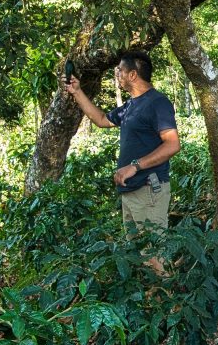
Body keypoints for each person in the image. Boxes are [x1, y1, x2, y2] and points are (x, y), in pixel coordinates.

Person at [64, 51, 181, 247]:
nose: (116, 74)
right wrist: (76, 91)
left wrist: (135, 166)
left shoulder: (157, 103)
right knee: (137, 254)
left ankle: (167, 279)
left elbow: (172, 144)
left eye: (119, 70)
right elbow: (101, 120)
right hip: (131, 190)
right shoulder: (130, 106)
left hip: (148, 190)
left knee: (153, 256)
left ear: (133, 75)